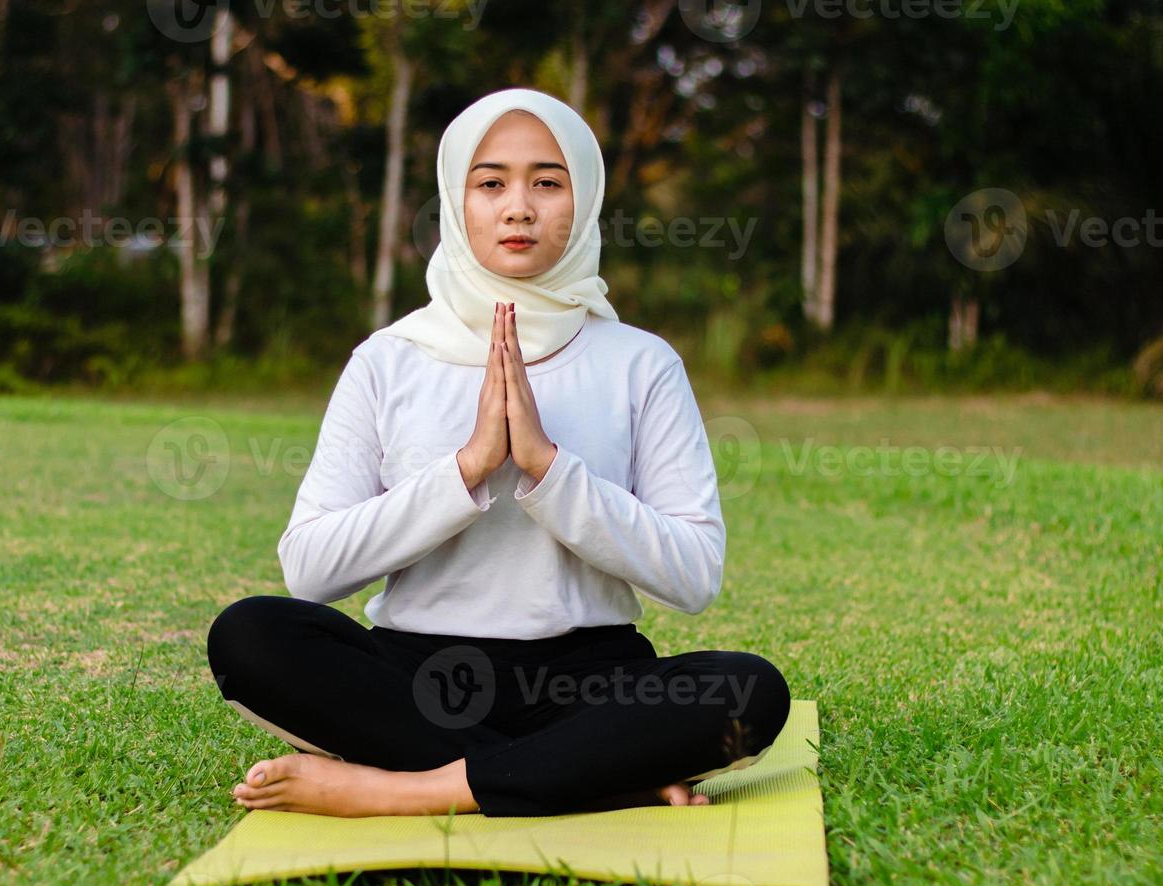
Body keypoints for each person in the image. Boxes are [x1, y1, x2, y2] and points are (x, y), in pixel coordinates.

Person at [206, 88, 791, 819]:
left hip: (588, 685)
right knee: (251, 634)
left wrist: (549, 470)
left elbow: (694, 576)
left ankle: (411, 792)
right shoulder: (389, 360)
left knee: (750, 692)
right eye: (491, 183)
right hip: (418, 684)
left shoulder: (642, 363)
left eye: (547, 182)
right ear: (458, 201)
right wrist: (466, 471)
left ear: (584, 200)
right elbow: (311, 570)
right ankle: (587, 780)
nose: (518, 207)